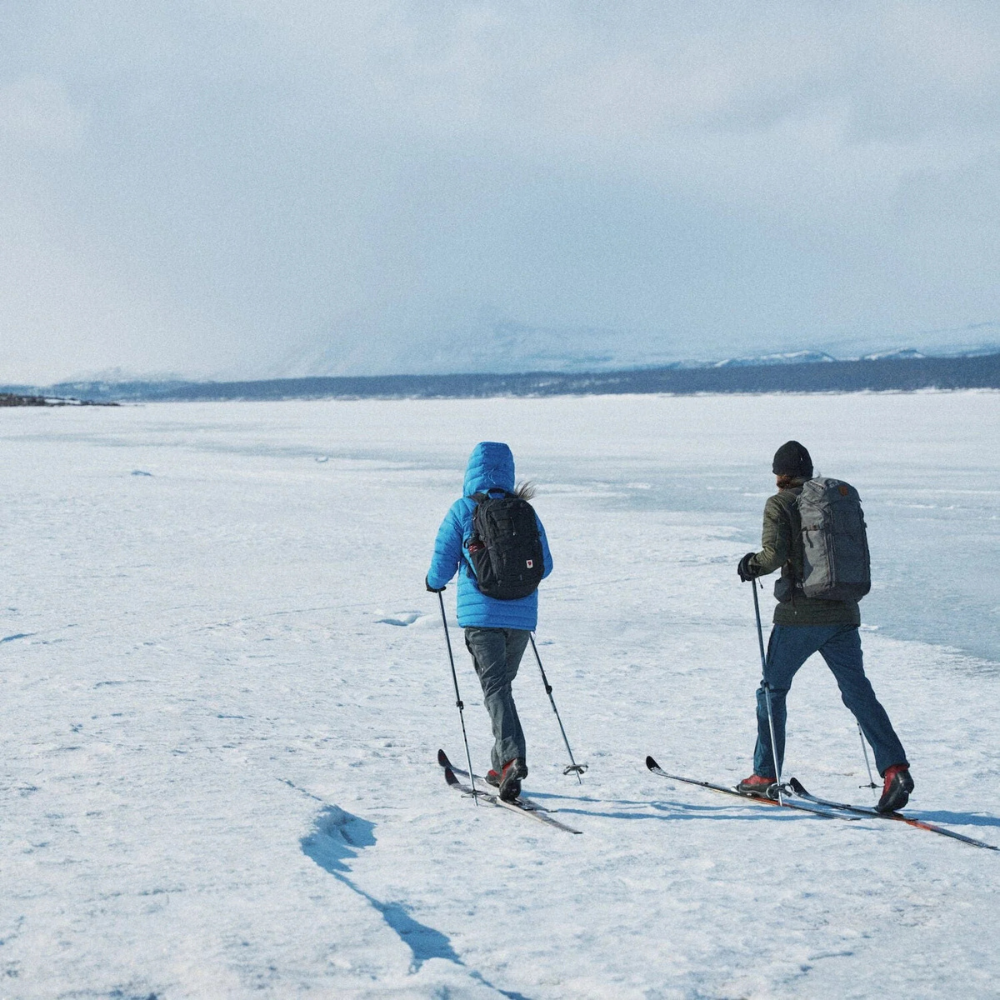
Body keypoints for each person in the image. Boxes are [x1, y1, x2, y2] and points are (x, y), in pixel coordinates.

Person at [736, 440, 913, 813]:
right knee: (858, 692)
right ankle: (894, 768)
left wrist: (750, 564)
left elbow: (774, 556)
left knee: (772, 690)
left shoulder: (781, 503)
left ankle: (765, 774)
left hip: (800, 616)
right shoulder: (833, 502)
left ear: (778, 474)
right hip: (844, 613)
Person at [426, 442, 553, 802]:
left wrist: (434, 583)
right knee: (501, 688)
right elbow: (548, 564)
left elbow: (443, 561)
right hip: (521, 617)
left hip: (481, 616)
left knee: (496, 688)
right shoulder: (525, 511)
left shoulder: (463, 509)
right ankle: (500, 767)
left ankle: (512, 758)